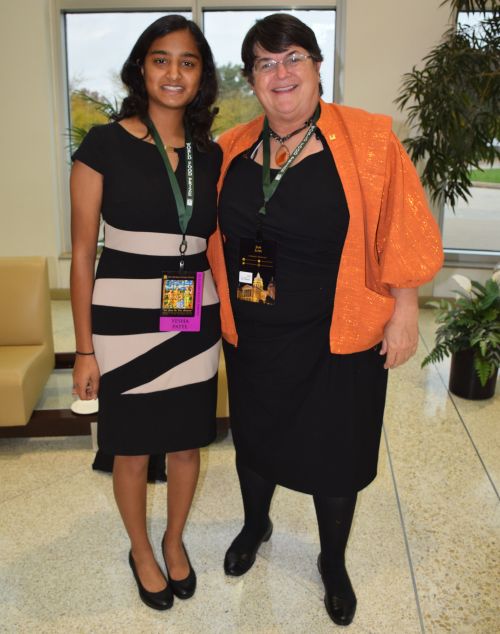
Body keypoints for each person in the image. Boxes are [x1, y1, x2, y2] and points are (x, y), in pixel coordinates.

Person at [207, 14, 443, 627]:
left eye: (292, 58)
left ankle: (331, 562)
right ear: (251, 78)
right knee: (255, 440)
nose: (279, 73)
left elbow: (401, 224)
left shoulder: (367, 139)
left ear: (317, 67)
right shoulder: (233, 147)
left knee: (337, 451)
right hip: (256, 332)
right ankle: (256, 525)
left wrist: (406, 309)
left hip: (343, 329)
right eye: (264, 62)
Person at [70, 15, 221, 611]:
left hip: (191, 314)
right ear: (141, 67)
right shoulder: (103, 143)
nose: (173, 72)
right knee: (130, 447)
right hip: (121, 319)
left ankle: (174, 540)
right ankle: (140, 549)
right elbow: (83, 253)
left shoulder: (210, 154)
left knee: (186, 445)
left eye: (187, 61)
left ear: (201, 75)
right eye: (161, 59)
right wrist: (84, 349)